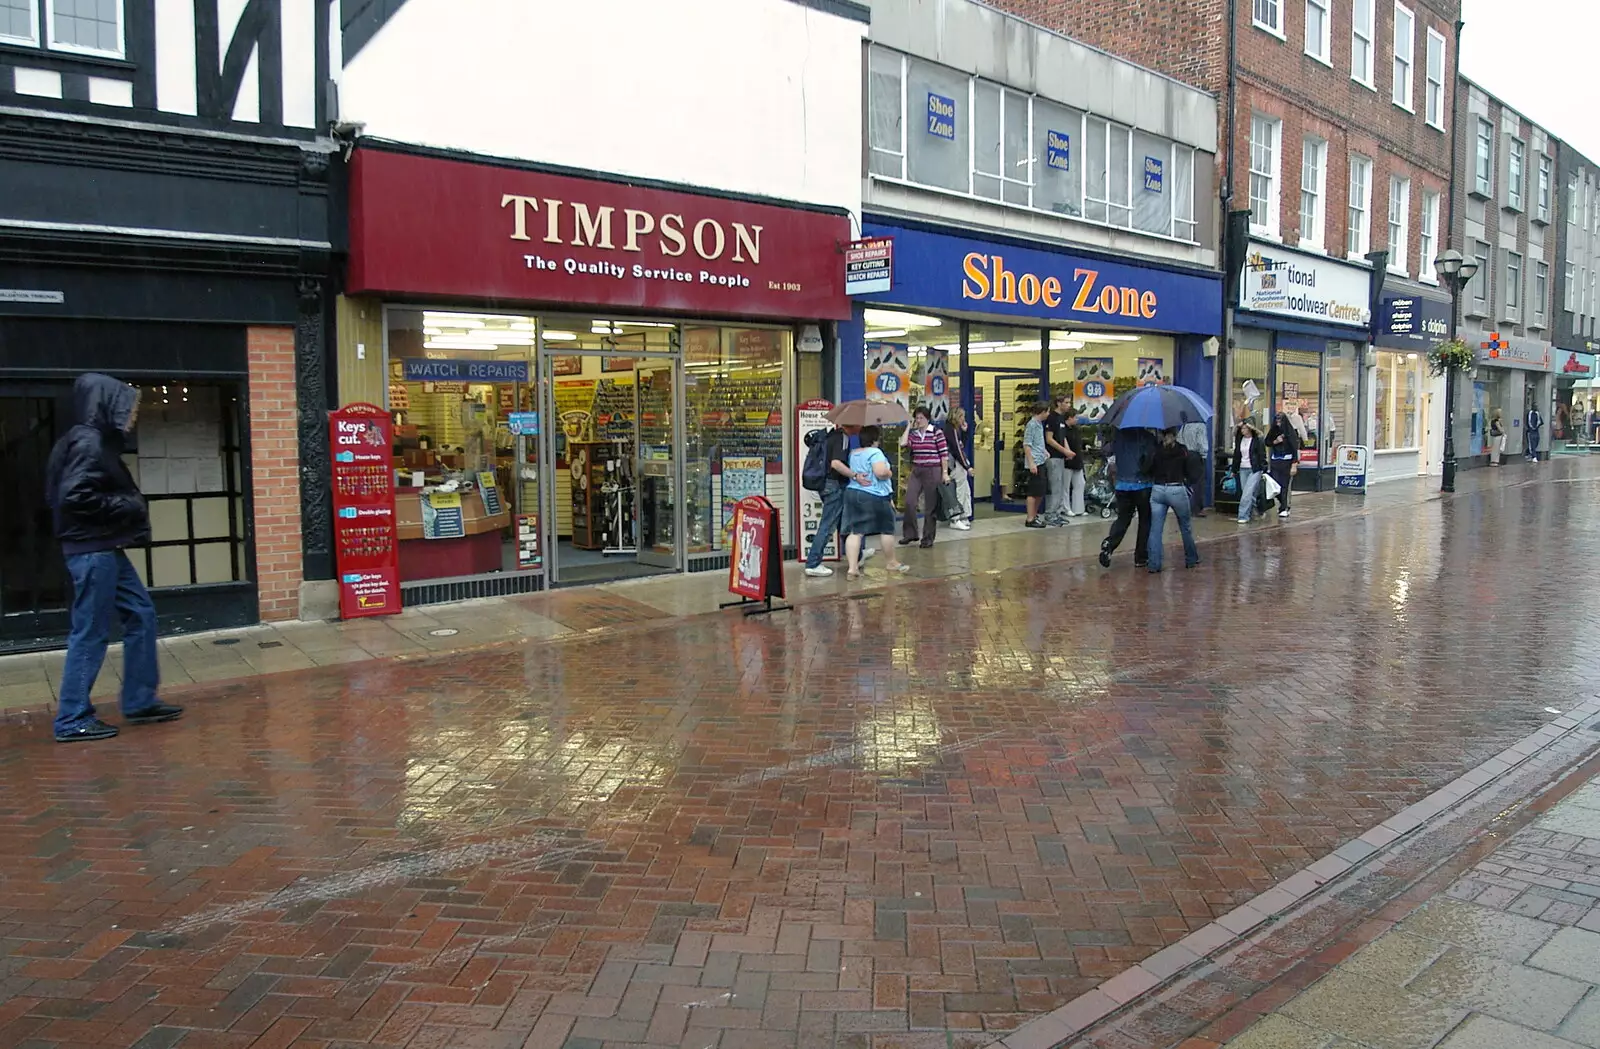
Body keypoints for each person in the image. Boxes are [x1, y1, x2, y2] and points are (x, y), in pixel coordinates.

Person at [44, 373, 184, 743]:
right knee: (90, 631)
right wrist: (129, 505)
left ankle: (139, 700)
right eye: (128, 405)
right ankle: (72, 718)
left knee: (141, 613)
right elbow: (74, 497)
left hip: (101, 547)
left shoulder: (89, 441)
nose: (133, 413)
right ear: (106, 404)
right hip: (92, 551)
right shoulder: (88, 442)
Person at [843, 426, 909, 578]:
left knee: (856, 532)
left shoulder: (854, 453)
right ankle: (891, 562)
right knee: (886, 529)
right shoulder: (875, 452)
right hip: (875, 495)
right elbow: (880, 473)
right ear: (875, 439)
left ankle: (852, 569)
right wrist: (889, 472)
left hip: (854, 493)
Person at [803, 423, 861, 577]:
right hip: (833, 485)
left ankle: (857, 554)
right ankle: (813, 563)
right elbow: (836, 463)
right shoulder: (843, 437)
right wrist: (855, 475)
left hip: (825, 484)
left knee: (844, 521)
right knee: (828, 525)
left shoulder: (831, 436)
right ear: (852, 424)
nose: (861, 425)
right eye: (858, 423)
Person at [1099, 427, 1156, 568]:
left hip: (1122, 484)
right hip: (1142, 485)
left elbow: (1107, 451)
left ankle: (1110, 544)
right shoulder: (1147, 437)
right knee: (1145, 520)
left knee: (1123, 518)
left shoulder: (1118, 435)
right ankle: (1140, 557)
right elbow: (1150, 460)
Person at [1147, 428, 1202, 572]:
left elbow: (1149, 469)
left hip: (1158, 489)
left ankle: (1154, 564)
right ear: (1176, 435)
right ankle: (1191, 559)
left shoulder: (1156, 450)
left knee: (1155, 529)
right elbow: (1189, 468)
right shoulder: (1182, 450)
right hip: (1176, 488)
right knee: (1185, 527)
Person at [899, 406, 950, 548]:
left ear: (927, 418)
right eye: (917, 417)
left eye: (921, 418)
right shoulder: (914, 434)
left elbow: (944, 454)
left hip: (933, 470)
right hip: (917, 470)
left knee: (930, 506)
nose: (918, 420)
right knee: (910, 501)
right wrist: (909, 426)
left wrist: (944, 473)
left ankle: (927, 538)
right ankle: (910, 534)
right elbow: (903, 443)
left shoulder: (936, 433)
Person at [940, 407, 974, 530]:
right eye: (961, 416)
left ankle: (961, 515)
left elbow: (960, 445)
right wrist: (967, 466)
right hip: (954, 464)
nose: (963, 419)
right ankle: (958, 516)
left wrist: (964, 432)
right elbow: (957, 449)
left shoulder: (953, 429)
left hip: (953, 463)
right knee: (961, 489)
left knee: (961, 489)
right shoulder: (951, 429)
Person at [1043, 393, 1074, 526]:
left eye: (1069, 402)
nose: (1069, 405)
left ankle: (1056, 513)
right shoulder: (1052, 418)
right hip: (1053, 457)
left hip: (1061, 457)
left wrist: (1067, 451)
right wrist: (1063, 450)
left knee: (1060, 486)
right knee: (1055, 486)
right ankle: (1050, 514)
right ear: (1058, 403)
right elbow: (1049, 439)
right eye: (1066, 402)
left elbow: (1063, 437)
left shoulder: (1062, 419)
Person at [1022, 401, 1050, 528]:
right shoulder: (1032, 425)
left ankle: (1034, 514)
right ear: (1043, 412)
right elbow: (1027, 444)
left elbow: (1037, 442)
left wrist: (1044, 451)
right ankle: (1030, 518)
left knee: (1040, 491)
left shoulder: (1039, 425)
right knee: (1033, 491)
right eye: (1047, 411)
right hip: (1035, 462)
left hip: (1041, 459)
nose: (1048, 414)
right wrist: (1032, 463)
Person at [1264, 411, 1298, 518]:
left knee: (1284, 485)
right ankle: (1282, 504)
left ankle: (1284, 507)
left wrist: (1294, 464)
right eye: (1277, 420)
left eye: (1280, 421)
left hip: (1287, 461)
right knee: (1274, 484)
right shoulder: (1273, 431)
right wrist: (1275, 441)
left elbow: (1294, 449)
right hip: (1275, 460)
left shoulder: (1290, 432)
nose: (1278, 423)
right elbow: (1267, 442)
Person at [1233, 420, 1267, 524]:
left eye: (1245, 428)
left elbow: (1262, 454)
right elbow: (1237, 454)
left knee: (1246, 494)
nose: (1243, 431)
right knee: (1248, 493)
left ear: (1250, 429)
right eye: (1242, 429)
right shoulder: (1240, 439)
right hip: (1243, 468)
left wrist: (1263, 469)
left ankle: (1243, 516)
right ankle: (1256, 511)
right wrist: (1234, 469)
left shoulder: (1257, 439)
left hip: (1254, 469)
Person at [1178, 420, 1210, 517]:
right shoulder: (1201, 426)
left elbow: (1179, 440)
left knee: (1186, 481)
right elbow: (1202, 443)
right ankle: (1197, 509)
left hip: (1185, 455)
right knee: (1199, 483)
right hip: (1196, 456)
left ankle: (1184, 507)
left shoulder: (1184, 425)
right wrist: (1204, 455)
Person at [1061, 407, 1088, 517]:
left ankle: (1079, 508)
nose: (1077, 419)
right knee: (1065, 486)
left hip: (1077, 460)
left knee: (1080, 484)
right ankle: (1066, 508)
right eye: (1075, 417)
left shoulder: (1076, 429)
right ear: (1069, 418)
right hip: (1067, 461)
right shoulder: (1063, 430)